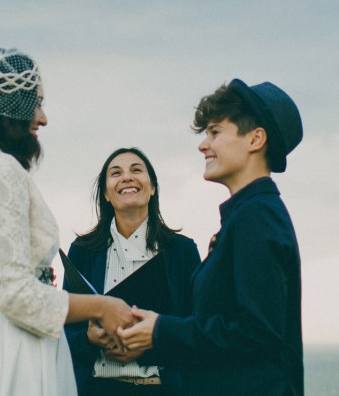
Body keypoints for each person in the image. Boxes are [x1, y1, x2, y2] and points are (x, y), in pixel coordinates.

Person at [0, 48, 135, 396]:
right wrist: (103, 306)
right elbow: (16, 294)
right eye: (36, 104)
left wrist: (84, 318)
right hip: (11, 351)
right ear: (9, 110)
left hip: (8, 338)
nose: (43, 118)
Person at [118, 78, 305, 395]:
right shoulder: (245, 216)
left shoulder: (257, 217)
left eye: (215, 132)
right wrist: (154, 330)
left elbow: (257, 335)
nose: (203, 145)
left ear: (255, 139)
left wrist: (162, 332)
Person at [63, 147, 201, 396]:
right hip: (96, 388)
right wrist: (89, 339)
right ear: (106, 194)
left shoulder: (181, 251)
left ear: (152, 188)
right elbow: (63, 331)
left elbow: (196, 329)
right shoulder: (83, 251)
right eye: (116, 173)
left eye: (136, 170)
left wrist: (150, 345)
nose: (126, 177)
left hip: (161, 389)